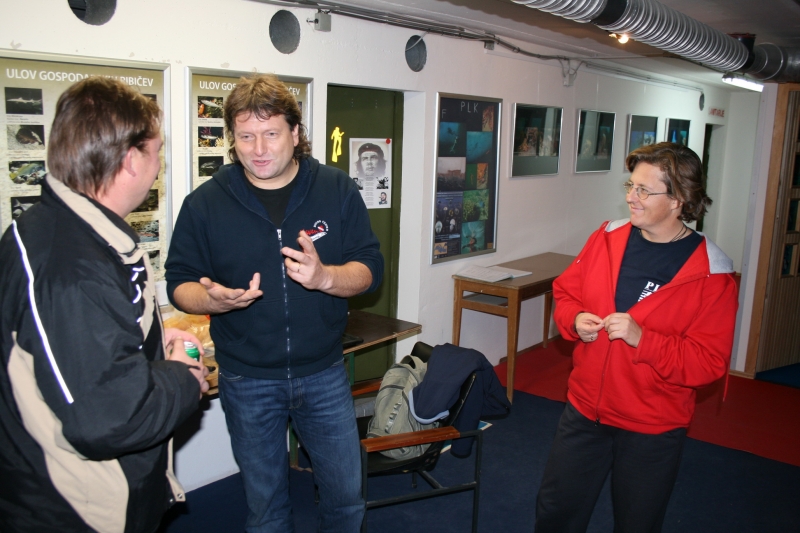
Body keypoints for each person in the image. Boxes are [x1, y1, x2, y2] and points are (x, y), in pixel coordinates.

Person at [165, 74, 383, 533]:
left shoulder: (336, 188)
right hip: (247, 380)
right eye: (246, 136)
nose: (258, 149)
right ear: (232, 138)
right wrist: (213, 301)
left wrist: (325, 278)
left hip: (324, 373)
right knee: (266, 509)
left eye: (270, 134)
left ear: (295, 133)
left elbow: (369, 269)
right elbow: (179, 283)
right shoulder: (205, 203)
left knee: (346, 498)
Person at [0, 77, 209, 533]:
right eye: (156, 153)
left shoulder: (60, 230)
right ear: (131, 160)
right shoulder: (70, 268)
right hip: (75, 510)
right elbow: (109, 418)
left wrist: (150, 339)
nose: (158, 165)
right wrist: (182, 377)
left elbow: (86, 354)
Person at [535, 142, 738, 533]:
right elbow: (566, 292)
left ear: (678, 199)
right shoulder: (607, 237)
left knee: (637, 523)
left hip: (652, 426)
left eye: (644, 190)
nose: (631, 197)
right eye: (631, 185)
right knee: (556, 513)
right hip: (585, 411)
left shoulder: (711, 274)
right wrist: (574, 319)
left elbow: (708, 363)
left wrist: (643, 339)